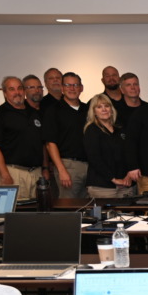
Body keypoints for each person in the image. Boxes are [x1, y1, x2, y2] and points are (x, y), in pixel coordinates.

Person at [0, 76, 44, 200]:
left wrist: (44, 169)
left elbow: (41, 143)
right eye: (12, 89)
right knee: (16, 215)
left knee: (37, 214)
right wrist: (5, 175)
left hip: (36, 173)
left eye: (20, 88)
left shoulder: (34, 113)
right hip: (13, 172)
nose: (17, 92)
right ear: (5, 93)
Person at [42, 71, 89, 199]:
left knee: (89, 208)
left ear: (81, 88)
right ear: (62, 88)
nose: (72, 88)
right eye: (68, 85)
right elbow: (50, 143)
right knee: (69, 208)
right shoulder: (53, 111)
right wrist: (62, 170)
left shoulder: (88, 109)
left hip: (90, 167)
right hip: (69, 166)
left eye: (75, 85)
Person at [82, 94, 135, 198]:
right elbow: (94, 159)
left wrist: (129, 173)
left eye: (106, 106)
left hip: (125, 184)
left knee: (127, 214)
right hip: (102, 187)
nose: (104, 109)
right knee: (105, 215)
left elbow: (130, 152)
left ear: (111, 109)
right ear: (94, 112)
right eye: (99, 107)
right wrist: (113, 179)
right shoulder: (92, 130)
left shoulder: (120, 129)